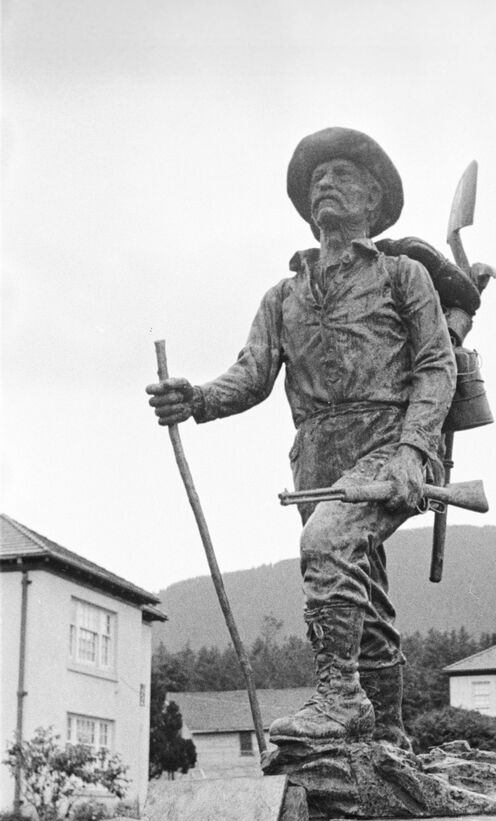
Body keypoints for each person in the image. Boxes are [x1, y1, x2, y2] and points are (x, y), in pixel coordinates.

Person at [147, 127, 456, 748]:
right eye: (317, 178)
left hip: (392, 444)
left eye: (341, 174)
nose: (325, 183)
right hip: (316, 457)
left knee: (326, 544)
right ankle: (388, 733)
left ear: (372, 198)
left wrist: (413, 451)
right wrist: (200, 398)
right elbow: (253, 373)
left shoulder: (402, 276)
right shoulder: (283, 295)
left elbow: (435, 366)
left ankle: (341, 699)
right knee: (360, 585)